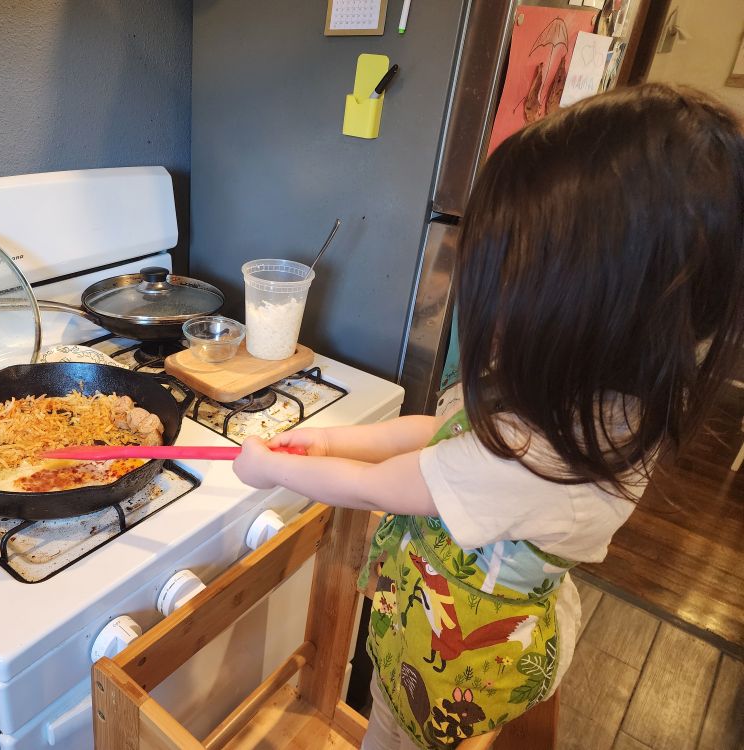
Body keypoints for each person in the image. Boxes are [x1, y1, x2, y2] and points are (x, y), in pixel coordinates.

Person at [232, 83, 744, 750]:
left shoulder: (544, 460)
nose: (489, 303)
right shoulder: (601, 397)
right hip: (503, 624)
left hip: (458, 668)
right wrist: (331, 437)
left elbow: (384, 487)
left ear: (590, 307)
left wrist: (273, 468)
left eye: (512, 281)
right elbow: (443, 439)